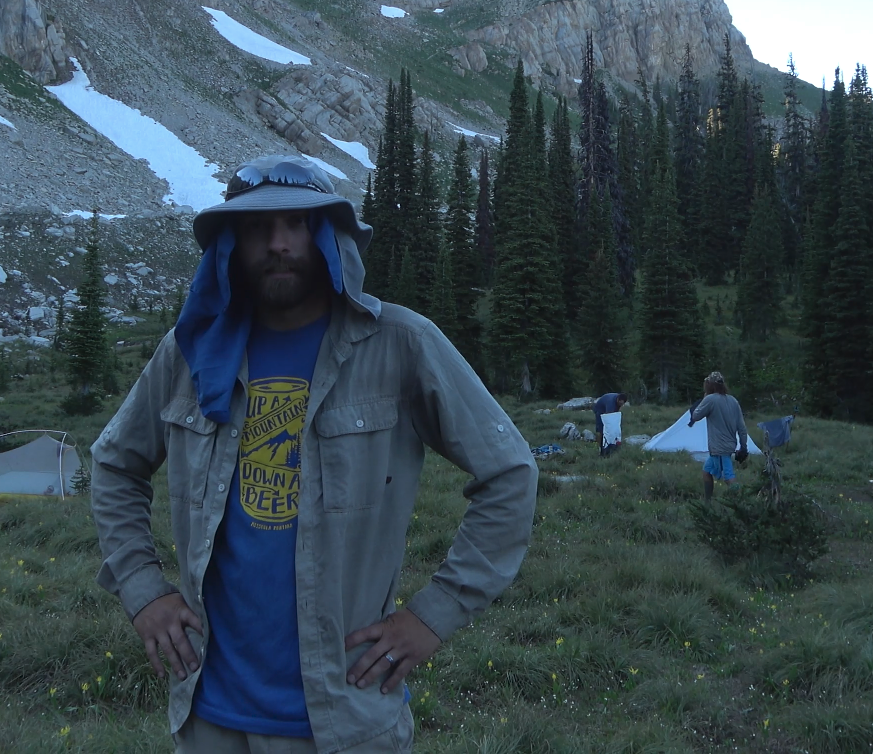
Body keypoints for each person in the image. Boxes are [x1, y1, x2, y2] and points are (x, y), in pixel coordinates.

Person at [90, 155, 538, 753]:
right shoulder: (190, 354)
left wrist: (436, 612)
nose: (278, 244)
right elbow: (114, 463)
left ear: (327, 235)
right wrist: (144, 589)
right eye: (257, 227)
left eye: (297, 224)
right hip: (209, 718)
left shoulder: (400, 345)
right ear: (230, 243)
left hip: (344, 723)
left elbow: (510, 470)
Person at [687, 371, 748, 500]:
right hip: (727, 446)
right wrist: (744, 447)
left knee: (728, 477)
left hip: (719, 448)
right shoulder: (733, 401)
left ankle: (743, 503)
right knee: (706, 472)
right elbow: (742, 428)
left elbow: (695, 415)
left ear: (710, 385)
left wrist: (705, 398)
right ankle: (708, 504)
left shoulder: (710, 399)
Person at [591, 390, 629, 454]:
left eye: (622, 404)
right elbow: (609, 418)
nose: (620, 405)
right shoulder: (610, 403)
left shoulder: (620, 399)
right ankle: (601, 448)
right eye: (620, 403)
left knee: (611, 429)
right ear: (617, 400)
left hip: (607, 409)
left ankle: (612, 444)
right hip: (599, 410)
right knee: (601, 430)